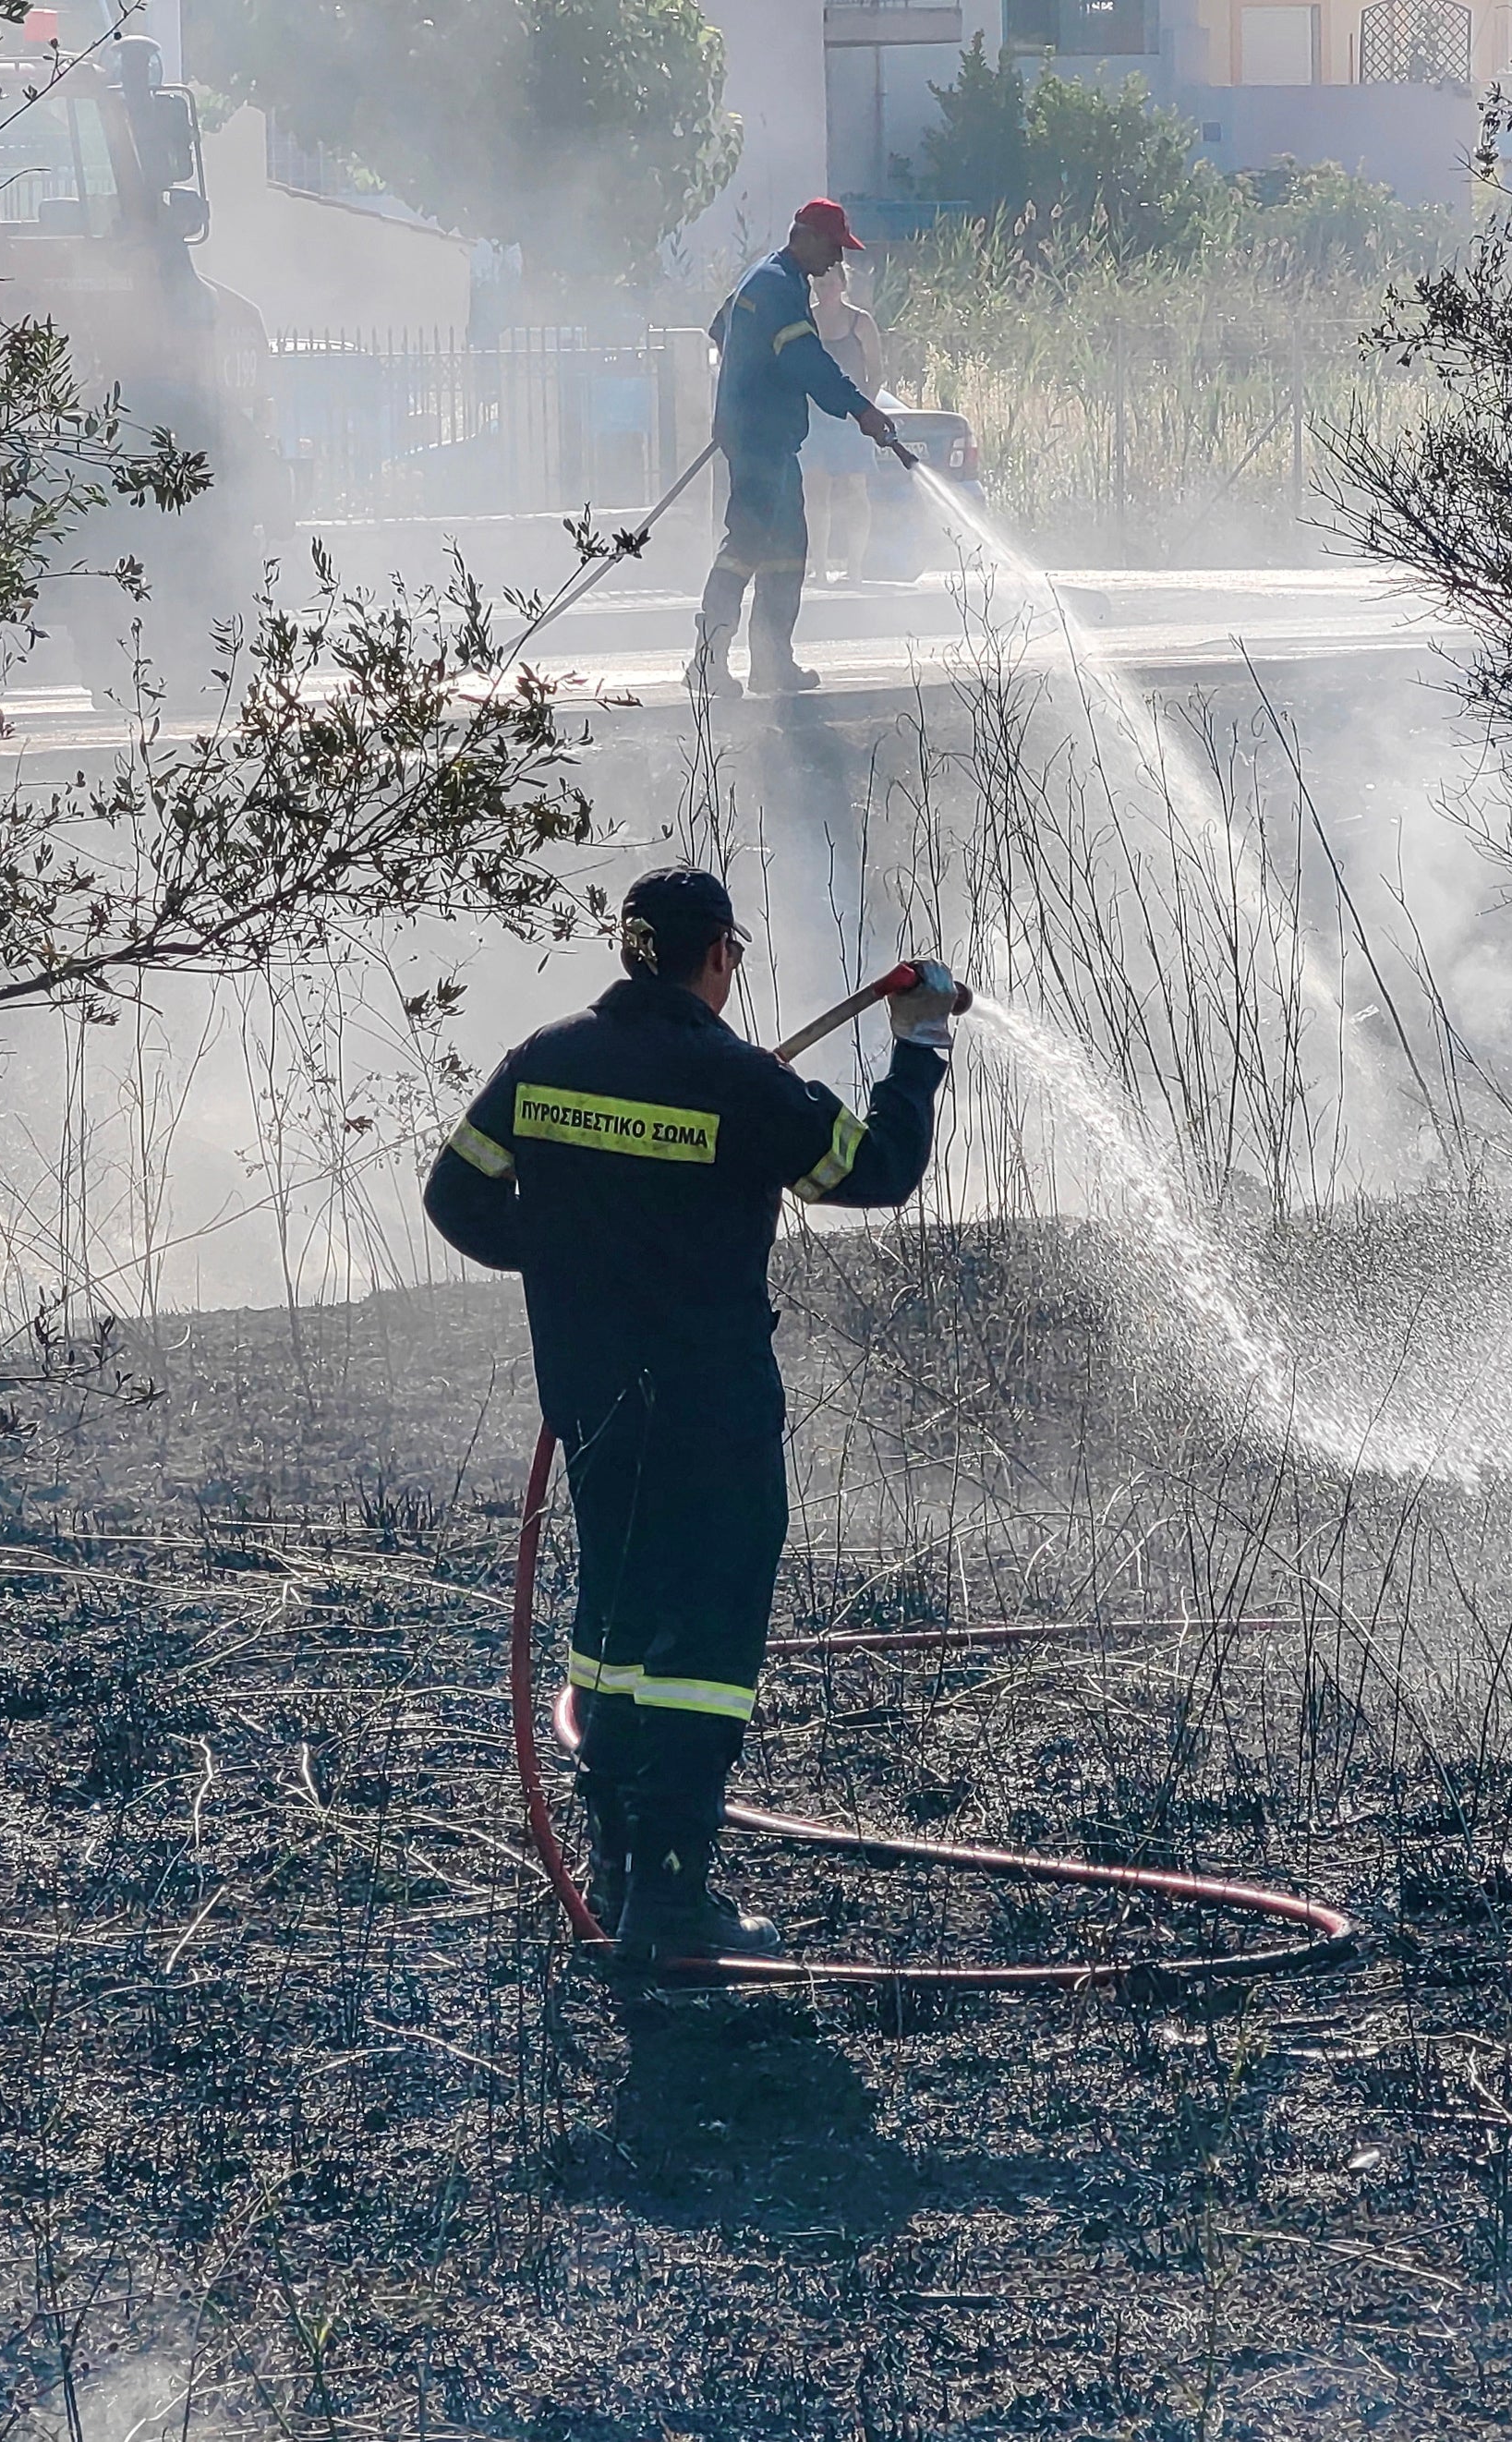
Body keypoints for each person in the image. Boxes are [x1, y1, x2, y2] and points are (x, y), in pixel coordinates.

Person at [423, 867, 958, 1961]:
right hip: (708, 1409)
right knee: (702, 1638)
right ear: (716, 952)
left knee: (615, 1623)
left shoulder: (544, 1060)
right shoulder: (737, 1084)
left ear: (631, 951)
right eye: (736, 953)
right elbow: (882, 1169)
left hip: (590, 1399)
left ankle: (618, 1869)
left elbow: (454, 1196)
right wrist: (919, 1045)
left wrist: (575, 1262)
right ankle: (670, 1896)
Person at [690, 199, 901, 698]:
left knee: (787, 550)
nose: (836, 261)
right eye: (832, 247)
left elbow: (720, 328)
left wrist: (746, 377)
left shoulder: (763, 278)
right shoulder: (779, 290)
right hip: (760, 440)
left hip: (766, 436)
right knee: (745, 546)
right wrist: (861, 410)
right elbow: (809, 363)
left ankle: (770, 663)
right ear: (802, 236)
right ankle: (707, 662)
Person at [804, 257, 883, 585]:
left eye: (831, 283)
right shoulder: (806, 319)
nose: (825, 290)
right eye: (819, 285)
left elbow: (876, 372)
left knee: (855, 489)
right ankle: (818, 568)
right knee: (816, 491)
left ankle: (855, 569)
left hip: (851, 419)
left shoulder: (860, 323)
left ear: (843, 284)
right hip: (815, 419)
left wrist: (865, 409)